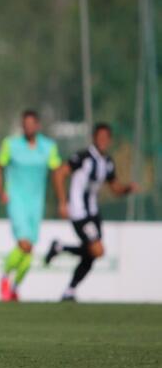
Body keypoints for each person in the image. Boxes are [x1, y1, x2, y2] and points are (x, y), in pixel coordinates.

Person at [44, 123, 138, 301]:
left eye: (106, 138)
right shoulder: (82, 157)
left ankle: (69, 289)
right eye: (99, 137)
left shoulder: (107, 162)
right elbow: (58, 174)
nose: (103, 141)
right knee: (97, 249)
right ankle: (62, 256)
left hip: (94, 213)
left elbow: (115, 187)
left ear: (109, 141)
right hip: (79, 212)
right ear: (94, 138)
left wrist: (127, 189)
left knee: (93, 253)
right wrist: (63, 203)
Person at [0, 109, 66, 302]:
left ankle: (15, 288)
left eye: (32, 124)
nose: (28, 127)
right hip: (16, 199)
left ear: (38, 126)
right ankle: (4, 277)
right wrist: (1, 192)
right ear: (22, 125)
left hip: (36, 203)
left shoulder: (48, 147)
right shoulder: (11, 144)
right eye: (25, 124)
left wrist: (62, 201)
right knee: (23, 243)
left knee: (29, 248)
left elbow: (57, 173)